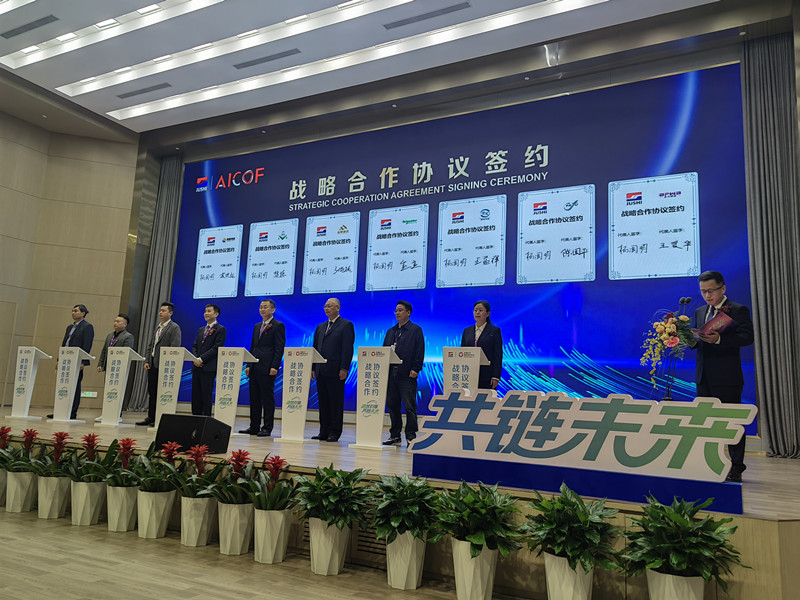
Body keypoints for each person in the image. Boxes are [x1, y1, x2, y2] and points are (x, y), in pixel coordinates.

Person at [694, 271, 754, 483]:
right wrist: (684, 337)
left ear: (723, 288)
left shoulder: (737, 310)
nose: (707, 296)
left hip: (727, 377)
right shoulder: (700, 311)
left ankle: (736, 467)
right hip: (703, 376)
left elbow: (747, 337)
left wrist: (719, 339)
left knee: (732, 422)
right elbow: (699, 340)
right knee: (706, 422)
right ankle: (709, 463)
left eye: (711, 291)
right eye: (703, 291)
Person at [311, 298, 355, 442]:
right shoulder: (320, 327)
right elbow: (315, 348)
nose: (327, 308)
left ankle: (334, 432)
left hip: (336, 370)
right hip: (321, 370)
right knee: (323, 402)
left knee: (335, 402)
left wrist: (344, 368)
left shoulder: (346, 325)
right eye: (325, 306)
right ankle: (323, 431)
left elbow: (347, 348)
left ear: (338, 308)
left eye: (330, 306)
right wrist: (313, 367)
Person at [382, 300, 425, 446]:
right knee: (392, 406)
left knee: (409, 406)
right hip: (391, 374)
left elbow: (420, 350)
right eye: (396, 311)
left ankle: (411, 435)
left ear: (408, 312)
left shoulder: (415, 330)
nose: (397, 313)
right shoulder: (391, 331)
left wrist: (416, 368)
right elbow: (384, 351)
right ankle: (395, 435)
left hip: (407, 374)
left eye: (400, 310)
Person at [241, 299, 285, 436]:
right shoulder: (257, 326)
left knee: (267, 398)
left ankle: (267, 427)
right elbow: (253, 347)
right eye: (261, 307)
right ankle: (254, 426)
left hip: (267, 367)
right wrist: (248, 364)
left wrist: (275, 366)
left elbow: (279, 348)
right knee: (254, 398)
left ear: (273, 310)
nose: (262, 309)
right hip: (254, 367)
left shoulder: (278, 326)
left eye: (265, 307)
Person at [137, 302, 181, 426]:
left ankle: (159, 418)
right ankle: (151, 417)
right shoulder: (158, 327)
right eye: (160, 310)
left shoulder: (174, 327)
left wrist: (168, 362)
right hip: (152, 364)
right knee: (152, 392)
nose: (160, 312)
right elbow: (151, 345)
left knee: (161, 392)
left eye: (164, 310)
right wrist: (147, 360)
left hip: (164, 365)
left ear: (170, 313)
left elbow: (175, 346)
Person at [48, 304, 94, 420]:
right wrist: (59, 360)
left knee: (75, 386)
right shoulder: (69, 327)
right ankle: (60, 410)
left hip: (77, 361)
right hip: (66, 361)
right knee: (63, 385)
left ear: (83, 313)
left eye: (76, 311)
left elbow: (87, 345)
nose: (73, 313)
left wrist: (83, 361)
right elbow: (65, 344)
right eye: (72, 311)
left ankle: (72, 412)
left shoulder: (87, 327)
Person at [95, 313, 135, 423]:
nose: (115, 323)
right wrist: (100, 364)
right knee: (108, 390)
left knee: (117, 391)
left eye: (118, 321)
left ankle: (118, 414)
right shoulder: (110, 336)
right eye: (114, 321)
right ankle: (106, 413)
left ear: (125, 324)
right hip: (109, 367)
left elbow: (127, 352)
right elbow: (104, 351)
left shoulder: (128, 336)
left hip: (119, 368)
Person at [191, 304, 226, 416]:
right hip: (196, 367)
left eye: (209, 311)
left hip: (208, 367)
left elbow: (216, 348)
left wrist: (201, 359)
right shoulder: (201, 330)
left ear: (216, 314)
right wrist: (195, 359)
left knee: (206, 395)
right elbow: (195, 346)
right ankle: (195, 418)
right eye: (205, 311)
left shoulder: (220, 329)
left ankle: (206, 419)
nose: (206, 313)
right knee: (196, 395)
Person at [460, 300, 503, 390]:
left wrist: (496, 376)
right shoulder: (467, 331)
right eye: (475, 310)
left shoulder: (494, 331)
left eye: (480, 310)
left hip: (487, 374)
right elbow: (462, 352)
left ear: (487, 314)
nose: (477, 313)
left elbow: (498, 355)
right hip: (469, 373)